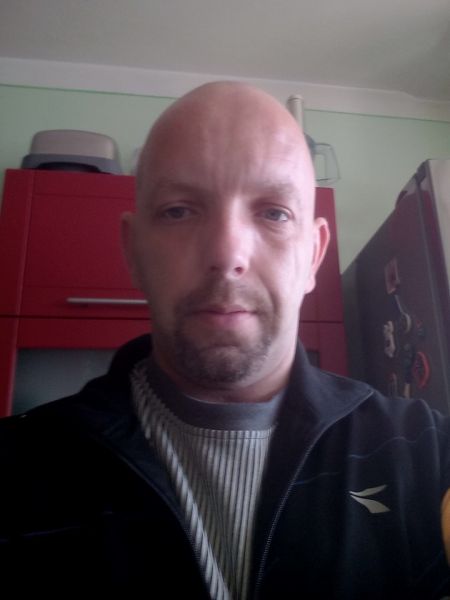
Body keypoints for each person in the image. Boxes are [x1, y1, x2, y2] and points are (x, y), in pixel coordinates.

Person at [0, 81, 449, 599]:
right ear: (133, 251)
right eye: (178, 210)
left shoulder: (427, 454)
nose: (227, 253)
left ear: (313, 256)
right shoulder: (14, 470)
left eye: (274, 212)